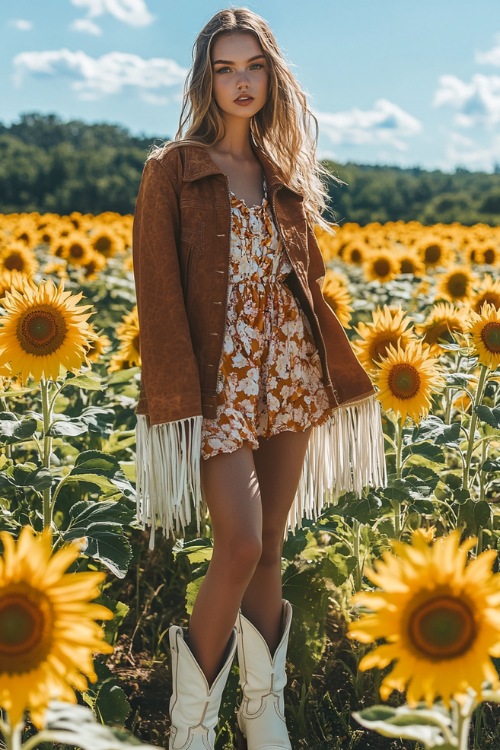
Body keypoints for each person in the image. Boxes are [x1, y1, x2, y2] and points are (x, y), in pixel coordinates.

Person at [132, 8, 386, 750]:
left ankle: (262, 713)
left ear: (271, 77)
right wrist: (179, 399)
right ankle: (191, 727)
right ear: (206, 80)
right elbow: (158, 294)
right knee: (237, 545)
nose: (241, 82)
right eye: (225, 68)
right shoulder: (172, 169)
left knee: (272, 544)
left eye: (253, 67)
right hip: (219, 387)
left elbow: (301, 287)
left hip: (292, 376)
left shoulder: (284, 177)